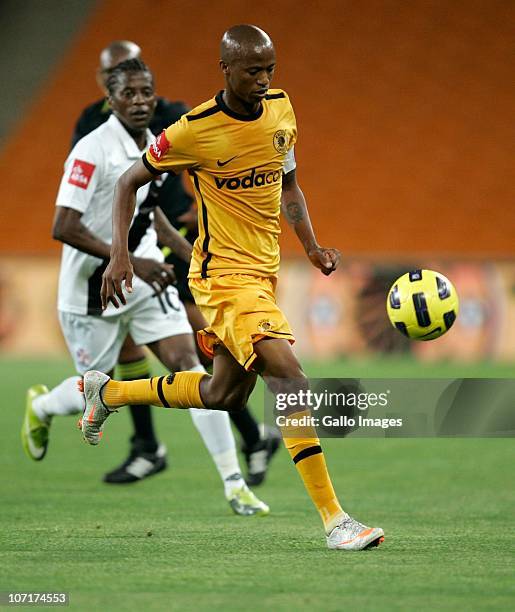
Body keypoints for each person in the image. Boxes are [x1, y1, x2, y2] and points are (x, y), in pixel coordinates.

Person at [82, 25, 384, 550]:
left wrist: (311, 247)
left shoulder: (282, 109)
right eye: (252, 71)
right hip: (222, 279)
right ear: (225, 69)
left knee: (224, 394)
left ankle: (108, 392)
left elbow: (289, 182)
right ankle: (335, 520)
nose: (264, 80)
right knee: (290, 378)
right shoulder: (193, 129)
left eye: (270, 69)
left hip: (263, 276)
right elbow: (130, 180)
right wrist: (119, 254)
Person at [21, 58, 269, 516]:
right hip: (91, 289)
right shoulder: (90, 151)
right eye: (129, 94)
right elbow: (63, 226)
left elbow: (149, 206)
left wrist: (188, 252)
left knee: (190, 368)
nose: (140, 101)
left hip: (144, 276)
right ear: (110, 100)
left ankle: (235, 485)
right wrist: (128, 258)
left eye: (146, 92)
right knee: (92, 386)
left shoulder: (155, 144)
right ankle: (42, 407)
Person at [73, 40, 279, 485]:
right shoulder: (92, 127)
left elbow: (203, 164)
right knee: (155, 346)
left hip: (174, 237)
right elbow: (100, 188)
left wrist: (194, 213)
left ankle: (238, 438)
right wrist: (121, 249)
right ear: (104, 85)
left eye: (140, 86)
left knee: (194, 337)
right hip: (133, 239)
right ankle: (154, 445)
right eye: (117, 81)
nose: (136, 97)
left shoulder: (176, 115)